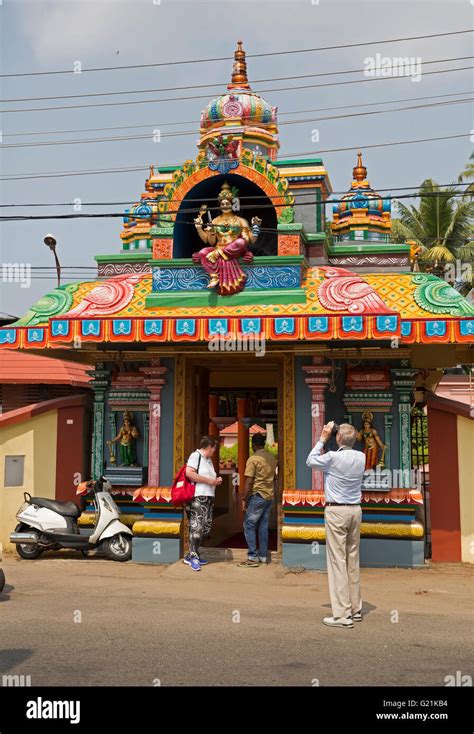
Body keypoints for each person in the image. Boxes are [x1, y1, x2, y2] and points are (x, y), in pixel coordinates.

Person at [306, 421, 366, 628]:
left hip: (336, 511)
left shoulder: (332, 457)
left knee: (337, 561)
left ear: (338, 438)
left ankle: (341, 614)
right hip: (355, 511)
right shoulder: (361, 456)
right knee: (352, 559)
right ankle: (355, 609)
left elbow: (310, 460)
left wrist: (323, 438)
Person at [239, 433, 278, 568]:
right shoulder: (272, 458)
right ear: (264, 444)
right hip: (269, 496)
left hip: (257, 495)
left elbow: (249, 480)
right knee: (263, 526)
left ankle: (252, 556)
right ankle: (262, 556)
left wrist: (244, 497)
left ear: (253, 445)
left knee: (248, 524)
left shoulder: (253, 459)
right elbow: (274, 478)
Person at [184, 436, 223, 572]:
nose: (214, 451)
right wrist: (209, 481)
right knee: (197, 526)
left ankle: (192, 554)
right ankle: (193, 557)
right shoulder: (196, 456)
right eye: (214, 448)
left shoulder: (208, 460)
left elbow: (208, 477)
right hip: (198, 496)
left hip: (208, 496)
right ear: (209, 447)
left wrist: (215, 480)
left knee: (205, 526)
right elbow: (189, 473)